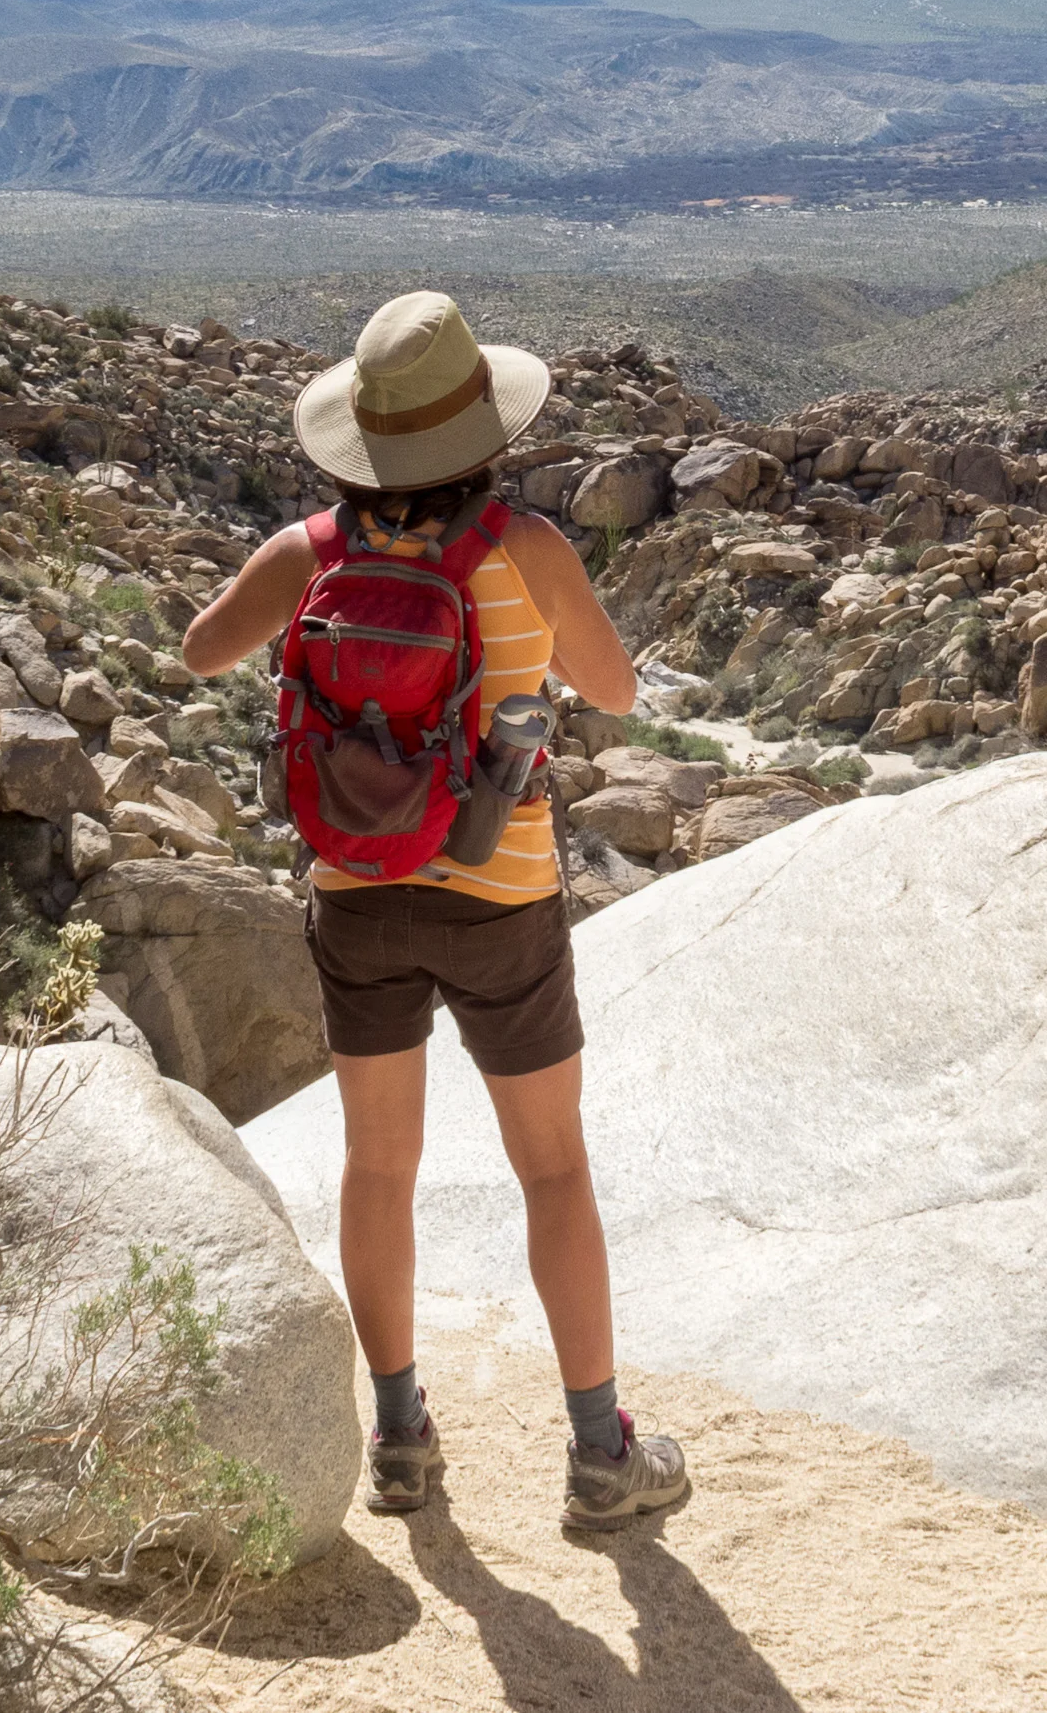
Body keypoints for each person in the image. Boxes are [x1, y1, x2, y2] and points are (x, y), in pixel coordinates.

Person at [182, 292, 689, 1532]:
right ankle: (599, 1453)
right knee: (553, 1167)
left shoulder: (312, 550)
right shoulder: (526, 550)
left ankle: (399, 1438)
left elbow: (201, 651)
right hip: (499, 895)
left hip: (358, 896)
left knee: (378, 1168)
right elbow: (616, 692)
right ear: (484, 435)